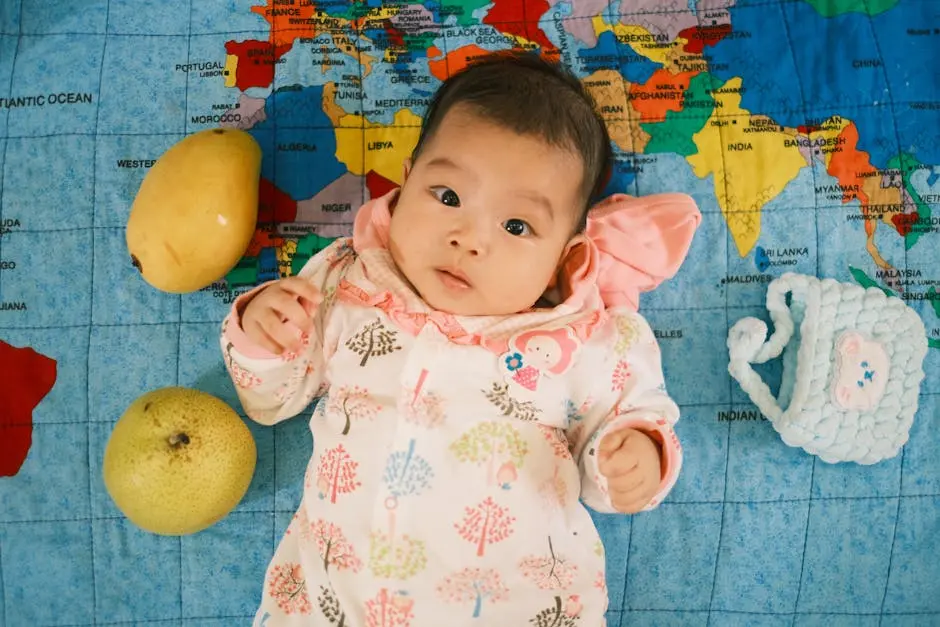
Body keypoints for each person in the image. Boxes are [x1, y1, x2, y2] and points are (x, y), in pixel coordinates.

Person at [220, 50, 701, 626]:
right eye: (447, 197)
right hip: (333, 602)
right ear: (405, 182)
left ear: (561, 261)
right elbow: (271, 400)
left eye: (517, 226)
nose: (468, 239)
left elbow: (631, 420)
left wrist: (635, 454)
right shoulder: (349, 283)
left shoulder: (584, 338)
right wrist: (262, 333)